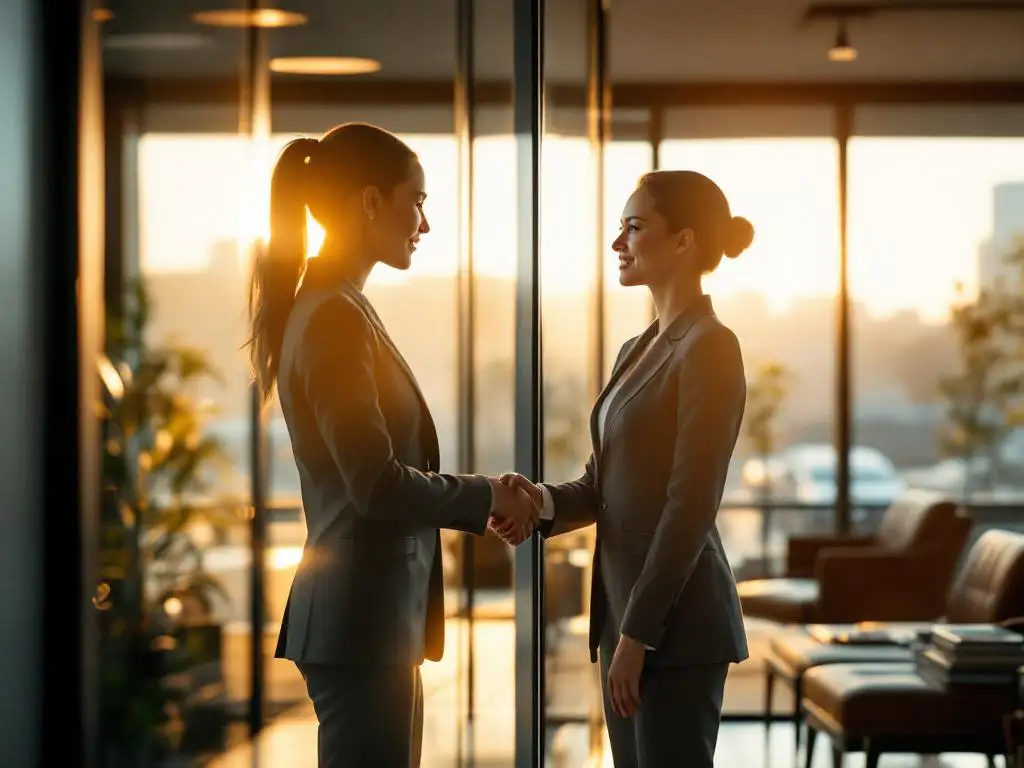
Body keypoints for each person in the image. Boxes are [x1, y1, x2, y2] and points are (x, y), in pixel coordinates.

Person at [247, 122, 538, 768]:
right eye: (418, 200)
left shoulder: (337, 307)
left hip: (371, 624)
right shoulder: (333, 318)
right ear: (371, 202)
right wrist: (486, 493)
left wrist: (480, 494)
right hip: (361, 624)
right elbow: (374, 484)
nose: (425, 224)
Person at [496, 170, 754, 768]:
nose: (618, 243)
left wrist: (639, 636)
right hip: (626, 621)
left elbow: (690, 505)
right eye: (619, 228)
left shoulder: (712, 345)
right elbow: (600, 485)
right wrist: (541, 502)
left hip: (673, 628)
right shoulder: (636, 349)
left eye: (634, 228)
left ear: (685, 241)